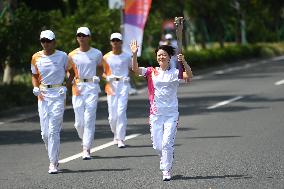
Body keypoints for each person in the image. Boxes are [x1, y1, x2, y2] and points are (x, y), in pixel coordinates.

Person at [129, 40, 192, 181]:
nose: (161, 57)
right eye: (159, 55)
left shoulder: (175, 72)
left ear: (170, 57)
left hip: (171, 114)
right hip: (156, 113)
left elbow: (189, 77)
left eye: (164, 55)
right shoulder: (151, 72)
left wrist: (184, 62)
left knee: (166, 143)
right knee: (157, 146)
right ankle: (165, 157)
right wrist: (134, 55)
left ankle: (166, 170)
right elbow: (135, 69)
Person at [31, 30, 68, 174]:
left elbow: (71, 72)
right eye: (43, 41)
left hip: (58, 94)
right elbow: (34, 75)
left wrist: (65, 85)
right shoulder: (36, 57)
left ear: (54, 42)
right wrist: (35, 87)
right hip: (43, 94)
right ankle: (53, 155)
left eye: (48, 41)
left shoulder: (63, 56)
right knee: (44, 134)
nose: (46, 43)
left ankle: (53, 163)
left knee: (53, 131)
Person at [67, 27, 103, 160]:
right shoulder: (71, 55)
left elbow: (100, 68)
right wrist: (69, 81)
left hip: (92, 87)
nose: (81, 38)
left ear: (89, 37)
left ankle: (86, 148)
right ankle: (85, 140)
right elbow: (69, 71)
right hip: (77, 87)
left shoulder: (97, 53)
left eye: (84, 35)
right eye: (79, 35)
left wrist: (98, 77)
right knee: (78, 123)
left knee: (89, 119)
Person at [102, 32, 132, 148]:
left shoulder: (127, 56)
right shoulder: (106, 57)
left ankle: (120, 138)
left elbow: (132, 69)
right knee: (112, 117)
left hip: (123, 85)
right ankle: (115, 134)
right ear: (111, 42)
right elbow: (102, 72)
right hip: (111, 86)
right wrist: (106, 77)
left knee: (121, 113)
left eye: (117, 40)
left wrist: (128, 77)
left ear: (121, 42)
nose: (115, 42)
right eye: (113, 40)